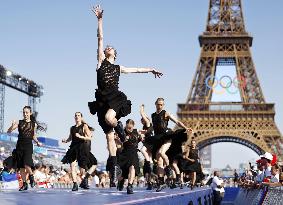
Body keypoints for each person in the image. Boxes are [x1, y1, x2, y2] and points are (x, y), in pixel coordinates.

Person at [89, 5, 163, 184]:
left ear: (115, 54)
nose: (108, 47)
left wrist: (150, 69)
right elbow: (100, 38)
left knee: (109, 119)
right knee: (108, 138)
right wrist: (99, 20)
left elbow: (136, 69)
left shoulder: (118, 67)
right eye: (107, 47)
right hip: (101, 99)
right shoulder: (100, 62)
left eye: (111, 48)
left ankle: (119, 127)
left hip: (114, 98)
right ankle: (114, 168)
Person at [150, 97, 192, 192]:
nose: (159, 106)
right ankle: (161, 182)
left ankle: (168, 168)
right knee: (159, 162)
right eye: (158, 104)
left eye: (161, 104)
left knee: (161, 152)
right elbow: (154, 127)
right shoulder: (153, 115)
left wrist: (186, 127)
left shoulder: (166, 113)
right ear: (155, 104)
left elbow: (177, 121)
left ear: (163, 105)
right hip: (158, 139)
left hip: (167, 137)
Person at [7, 106, 45, 191]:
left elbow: (33, 136)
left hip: (28, 145)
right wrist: (12, 125)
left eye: (27, 112)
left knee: (27, 163)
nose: (25, 114)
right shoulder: (19, 122)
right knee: (21, 167)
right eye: (24, 112)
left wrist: (37, 142)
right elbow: (9, 131)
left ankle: (31, 176)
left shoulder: (33, 124)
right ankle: (24, 184)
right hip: (19, 146)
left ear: (30, 113)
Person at [61, 112, 97, 191]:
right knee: (72, 165)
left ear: (81, 117)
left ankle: (85, 179)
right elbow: (70, 138)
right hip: (73, 148)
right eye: (76, 116)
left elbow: (90, 138)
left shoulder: (84, 126)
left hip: (82, 148)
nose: (77, 117)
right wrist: (65, 140)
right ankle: (75, 184)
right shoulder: (72, 128)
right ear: (74, 118)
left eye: (78, 115)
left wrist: (81, 136)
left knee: (92, 164)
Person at [117, 119, 141, 194]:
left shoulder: (136, 131)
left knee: (132, 167)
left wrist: (141, 137)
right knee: (123, 173)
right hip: (125, 154)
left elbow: (140, 139)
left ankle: (129, 186)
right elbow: (119, 144)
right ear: (126, 126)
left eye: (131, 128)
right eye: (128, 128)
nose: (129, 129)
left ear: (133, 126)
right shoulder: (122, 132)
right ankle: (121, 181)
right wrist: (122, 140)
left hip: (134, 153)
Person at [139, 104, 154, 190]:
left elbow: (143, 115)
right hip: (150, 143)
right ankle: (150, 183)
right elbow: (145, 133)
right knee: (149, 167)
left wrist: (142, 109)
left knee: (142, 150)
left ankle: (148, 162)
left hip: (150, 143)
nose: (141, 121)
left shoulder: (148, 123)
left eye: (142, 120)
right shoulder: (147, 127)